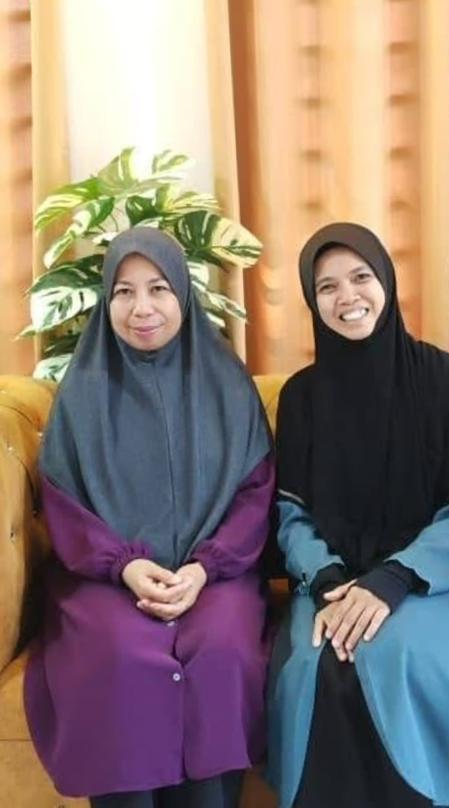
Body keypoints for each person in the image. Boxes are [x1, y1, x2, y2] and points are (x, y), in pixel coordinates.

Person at [265, 223, 449, 808]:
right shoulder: (301, 398)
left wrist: (396, 577)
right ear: (313, 300)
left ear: (386, 282)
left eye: (361, 277)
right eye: (327, 287)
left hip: (445, 578)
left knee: (399, 652)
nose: (347, 297)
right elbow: (292, 514)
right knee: (319, 664)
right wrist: (328, 578)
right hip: (336, 582)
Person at [25, 228, 274, 808]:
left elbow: (255, 492)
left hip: (216, 578)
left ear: (182, 294)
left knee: (222, 650)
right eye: (124, 291)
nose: (142, 308)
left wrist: (206, 567)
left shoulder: (228, 385)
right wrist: (125, 567)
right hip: (105, 582)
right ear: (107, 300)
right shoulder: (81, 392)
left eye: (158, 288)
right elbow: (64, 502)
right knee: (118, 654)